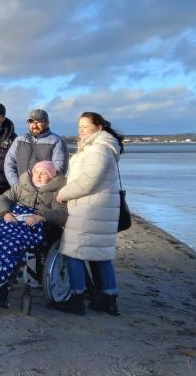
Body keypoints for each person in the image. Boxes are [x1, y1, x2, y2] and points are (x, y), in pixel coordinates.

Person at [0, 161, 68, 305]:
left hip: (33, 226)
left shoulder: (56, 193)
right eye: (36, 172)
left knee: (12, 246)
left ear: (52, 177)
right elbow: (2, 199)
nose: (38, 175)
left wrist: (42, 216)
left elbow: (62, 215)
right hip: (12, 220)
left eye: (43, 173)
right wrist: (5, 212)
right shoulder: (22, 186)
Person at [49, 112, 125, 316]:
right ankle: (109, 300)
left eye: (85, 126)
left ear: (99, 127)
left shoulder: (98, 149)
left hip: (90, 209)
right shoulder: (100, 146)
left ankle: (77, 298)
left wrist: (63, 194)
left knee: (73, 253)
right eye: (79, 126)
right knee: (101, 255)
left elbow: (88, 181)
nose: (80, 130)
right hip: (97, 209)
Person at [4, 109, 68, 186]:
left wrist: (42, 188)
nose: (34, 126)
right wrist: (16, 185)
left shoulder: (56, 142)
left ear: (47, 123)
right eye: (31, 122)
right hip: (21, 189)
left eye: (38, 122)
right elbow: (9, 164)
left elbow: (59, 169)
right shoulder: (19, 140)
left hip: (43, 190)